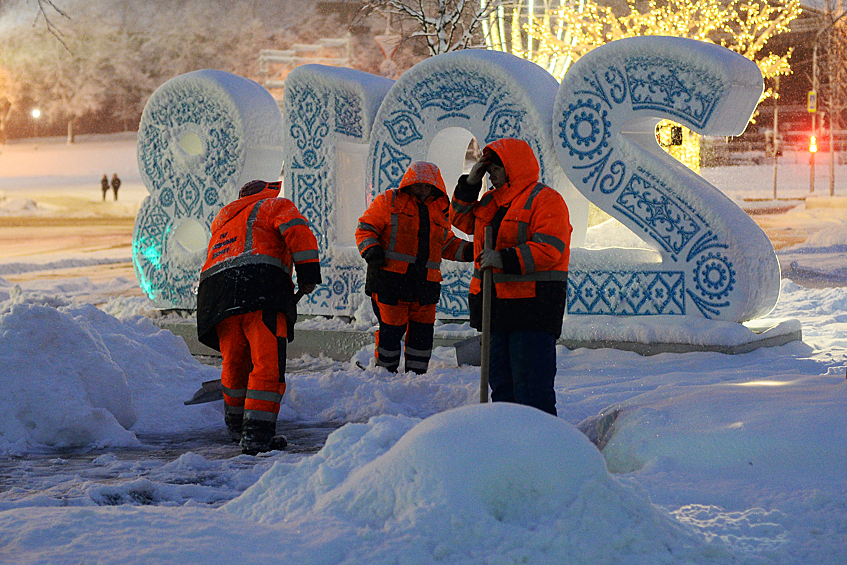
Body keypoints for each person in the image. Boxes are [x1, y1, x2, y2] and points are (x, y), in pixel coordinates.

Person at [196, 180, 321, 454]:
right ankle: (257, 436)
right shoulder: (274, 205)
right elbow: (297, 230)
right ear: (266, 192)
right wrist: (309, 274)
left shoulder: (224, 219)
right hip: (260, 288)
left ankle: (237, 428)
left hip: (217, 296)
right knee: (266, 365)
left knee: (236, 361)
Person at [450, 138, 571, 416]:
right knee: (502, 389)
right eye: (487, 168)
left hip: (532, 311)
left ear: (513, 167)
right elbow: (459, 219)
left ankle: (540, 449)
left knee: (531, 390)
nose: (490, 174)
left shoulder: (545, 199)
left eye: (495, 168)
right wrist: (470, 184)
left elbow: (549, 249)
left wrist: (504, 259)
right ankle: (508, 447)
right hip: (495, 310)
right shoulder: (490, 201)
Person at [356, 161, 473, 373]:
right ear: (409, 184)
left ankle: (417, 379)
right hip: (391, 281)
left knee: (422, 335)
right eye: (418, 185)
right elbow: (366, 228)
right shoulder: (388, 201)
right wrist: (371, 251)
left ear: (435, 187)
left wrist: (472, 251)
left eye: (427, 186)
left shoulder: (439, 209)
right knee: (391, 331)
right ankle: (384, 373)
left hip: (425, 285)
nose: (423, 190)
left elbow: (446, 243)